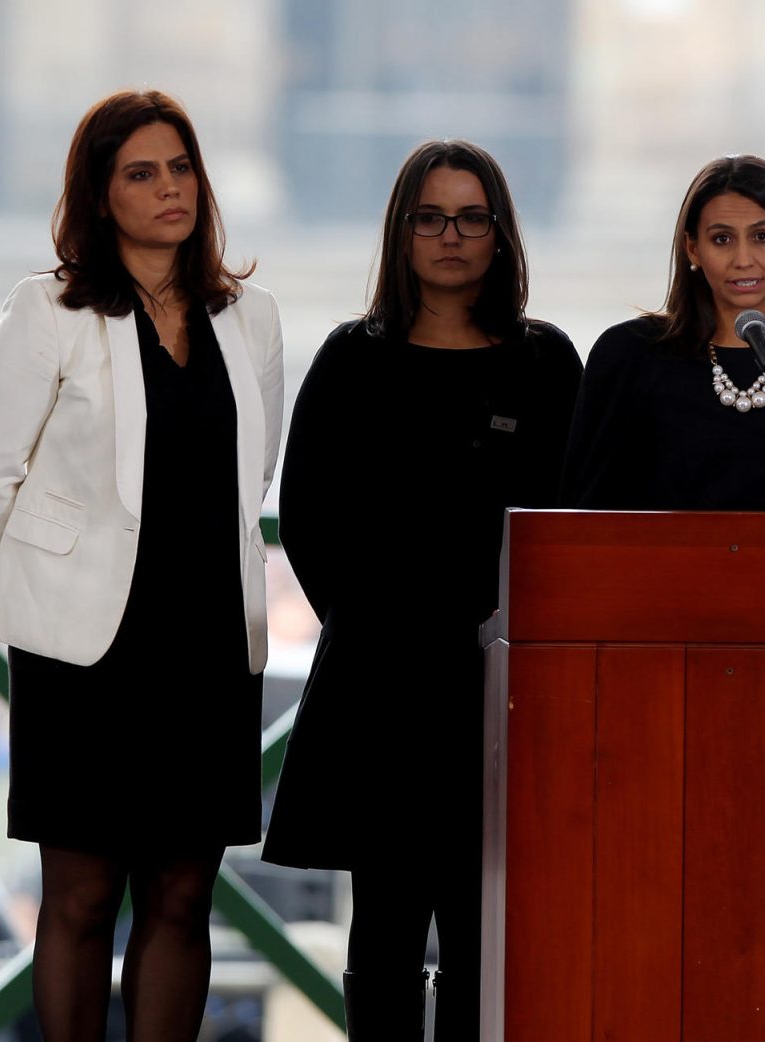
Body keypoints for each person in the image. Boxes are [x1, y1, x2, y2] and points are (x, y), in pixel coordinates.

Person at [0, 89, 283, 1042]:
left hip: (209, 646)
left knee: (183, 897)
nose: (170, 188)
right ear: (101, 197)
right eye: (142, 173)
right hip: (83, 654)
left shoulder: (250, 316)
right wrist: (49, 593)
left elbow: (250, 472)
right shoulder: (48, 309)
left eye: (181, 167)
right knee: (83, 898)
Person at [261, 139, 582, 1039]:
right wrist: (381, 625)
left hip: (507, 689)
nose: (451, 236)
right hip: (383, 686)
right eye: (431, 217)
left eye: (471, 217)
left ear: (500, 233)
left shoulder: (546, 363)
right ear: (402, 232)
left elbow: (576, 513)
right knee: (388, 929)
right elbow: (310, 520)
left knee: (490, 935)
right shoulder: (352, 359)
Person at [561, 154, 765, 511]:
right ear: (693, 248)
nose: (743, 259)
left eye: (761, 236)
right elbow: (580, 524)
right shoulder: (629, 355)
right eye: (722, 239)